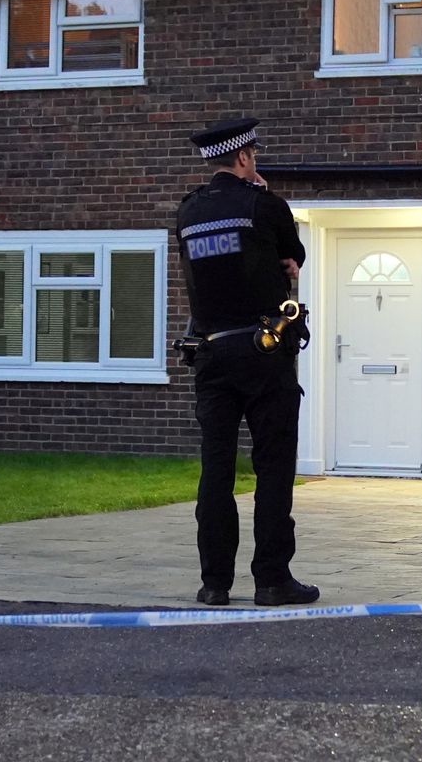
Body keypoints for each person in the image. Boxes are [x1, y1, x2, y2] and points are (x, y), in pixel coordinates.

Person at [174, 117, 320, 608]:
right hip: (263, 352)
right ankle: (272, 580)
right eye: (253, 156)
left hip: (210, 353)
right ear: (243, 158)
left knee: (215, 469)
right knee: (273, 468)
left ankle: (214, 583)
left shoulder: (188, 213)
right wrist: (265, 196)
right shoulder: (265, 206)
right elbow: (291, 254)